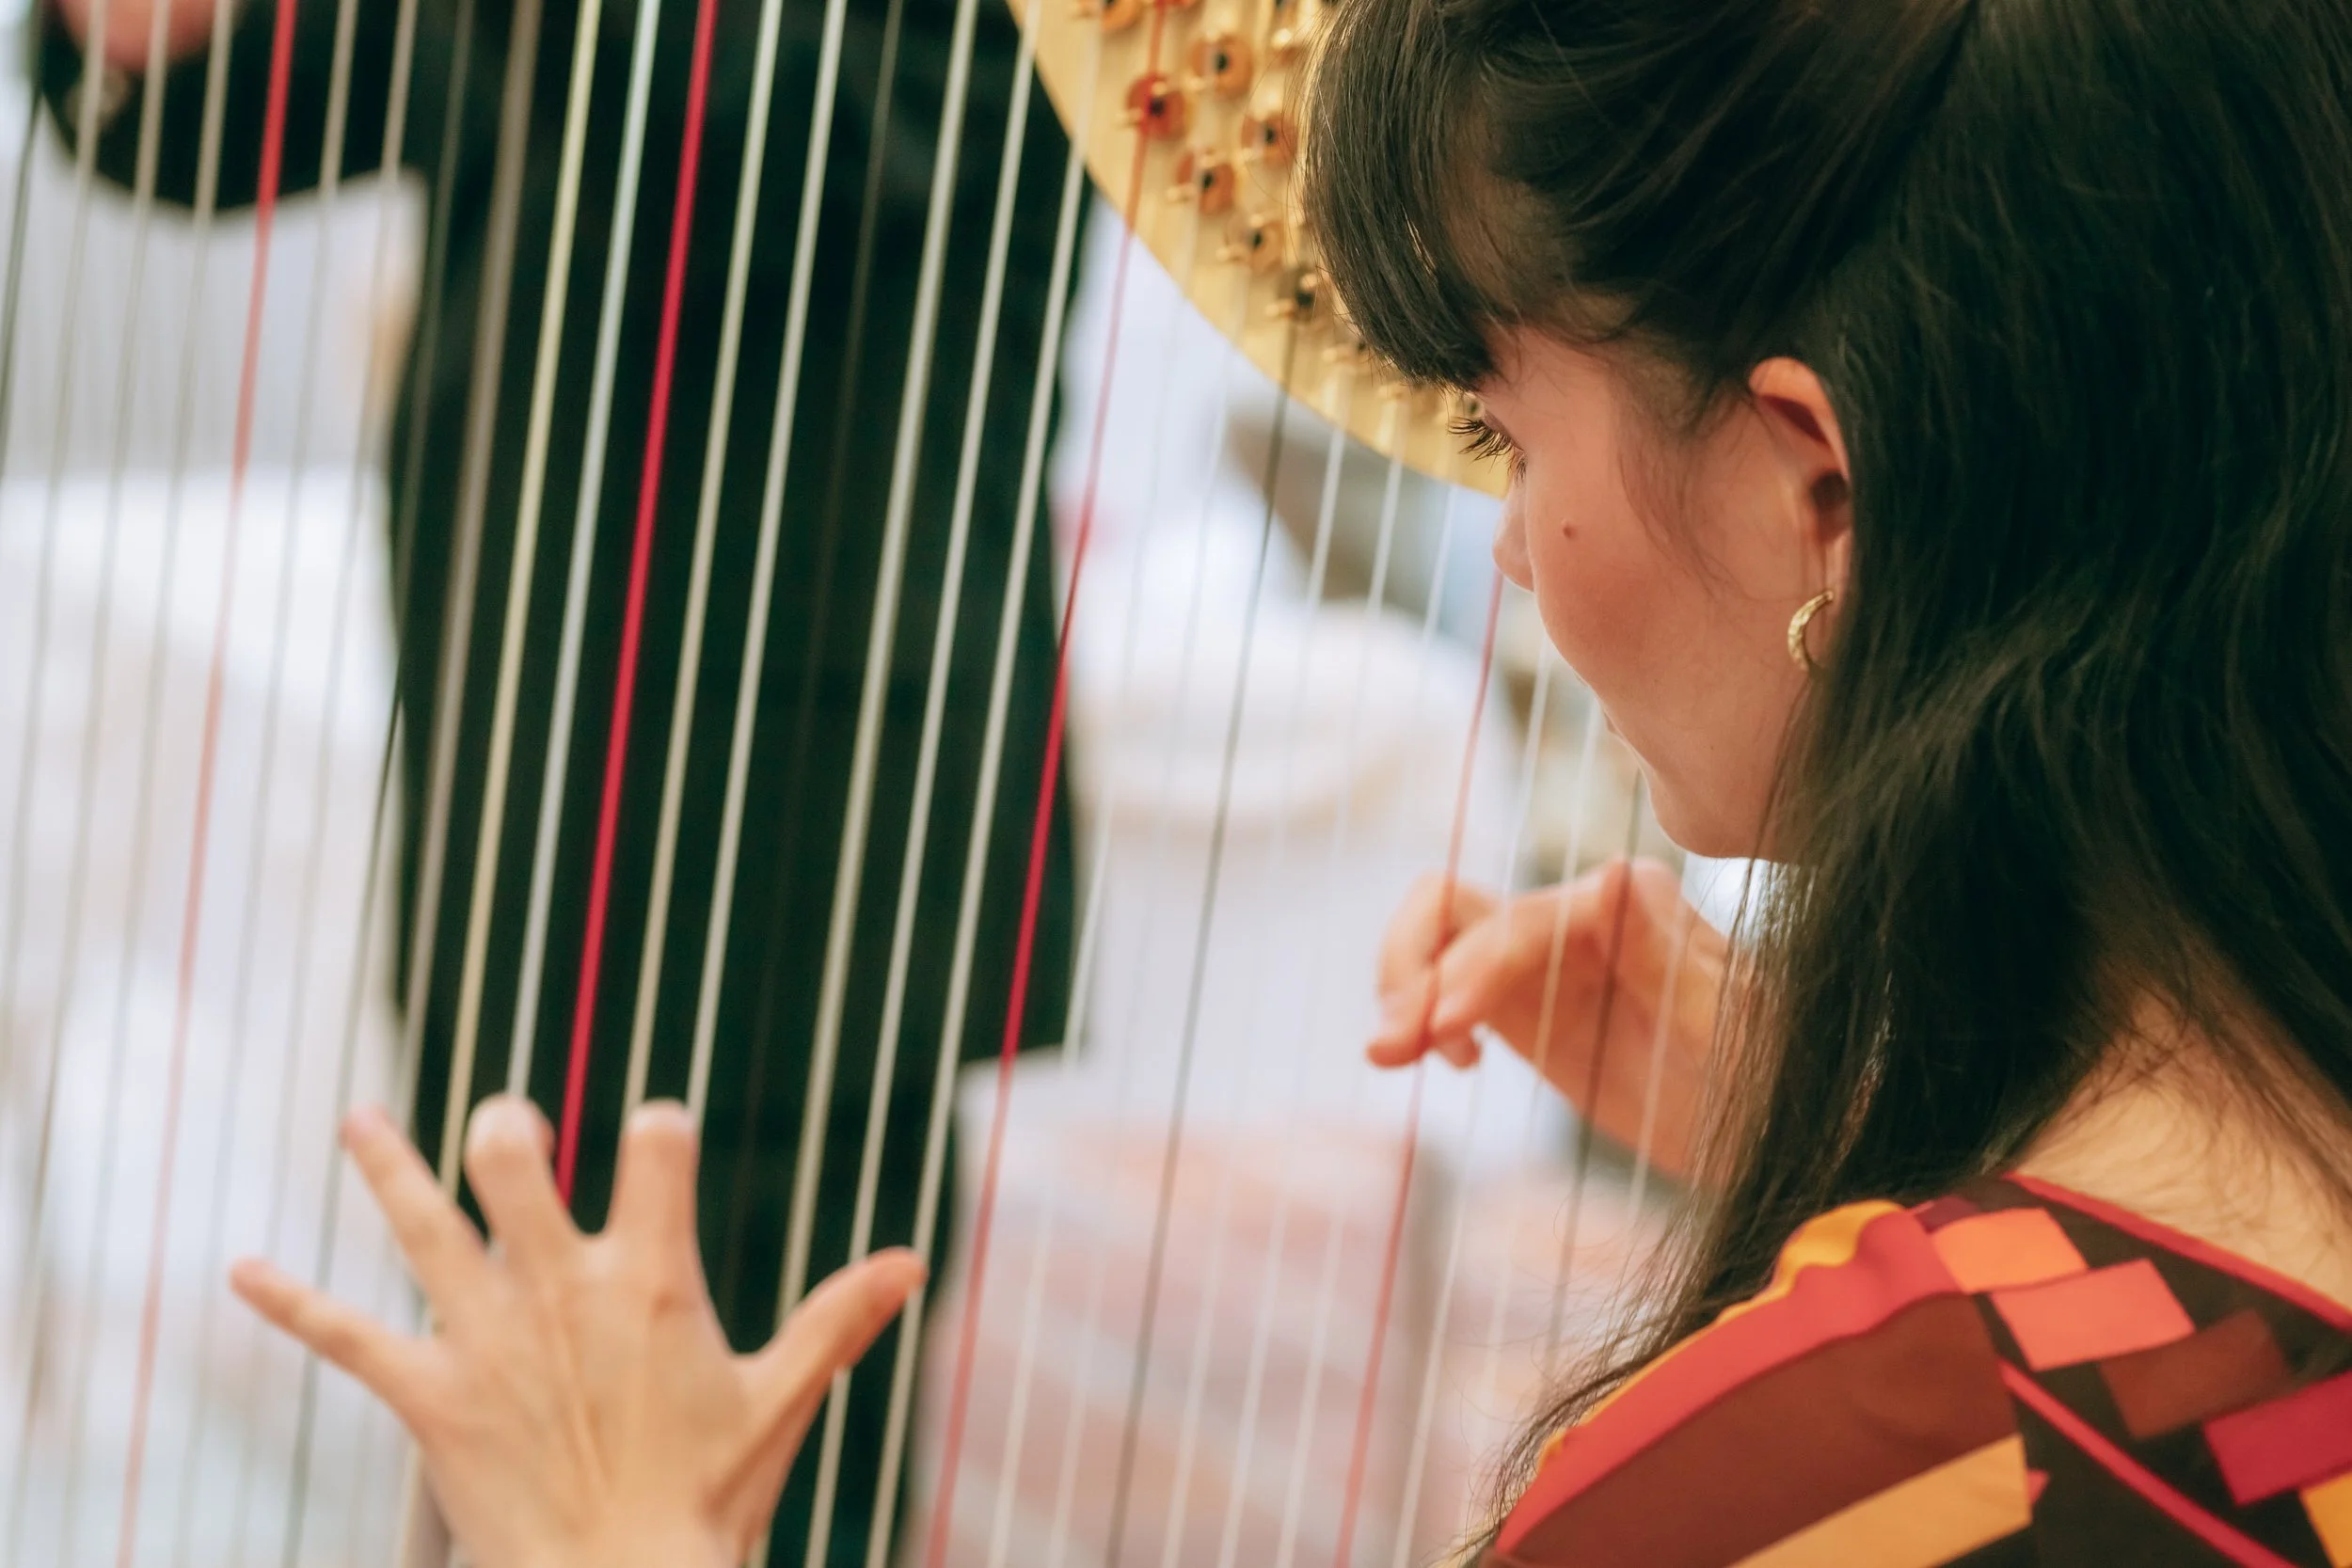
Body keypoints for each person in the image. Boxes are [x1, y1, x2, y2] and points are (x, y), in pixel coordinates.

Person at [228, 0, 2352, 1562]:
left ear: (1818, 480)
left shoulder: (1825, 1463)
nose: (1503, 554)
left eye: (1510, 434)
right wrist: (1874, 1124)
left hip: (809, 765)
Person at [35, 0, 1077, 1559]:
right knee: (495, 1434)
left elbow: (789, 150)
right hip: (517, 760)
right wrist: (138, 43)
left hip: (816, 823)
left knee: (770, 1490)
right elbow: (256, 117)